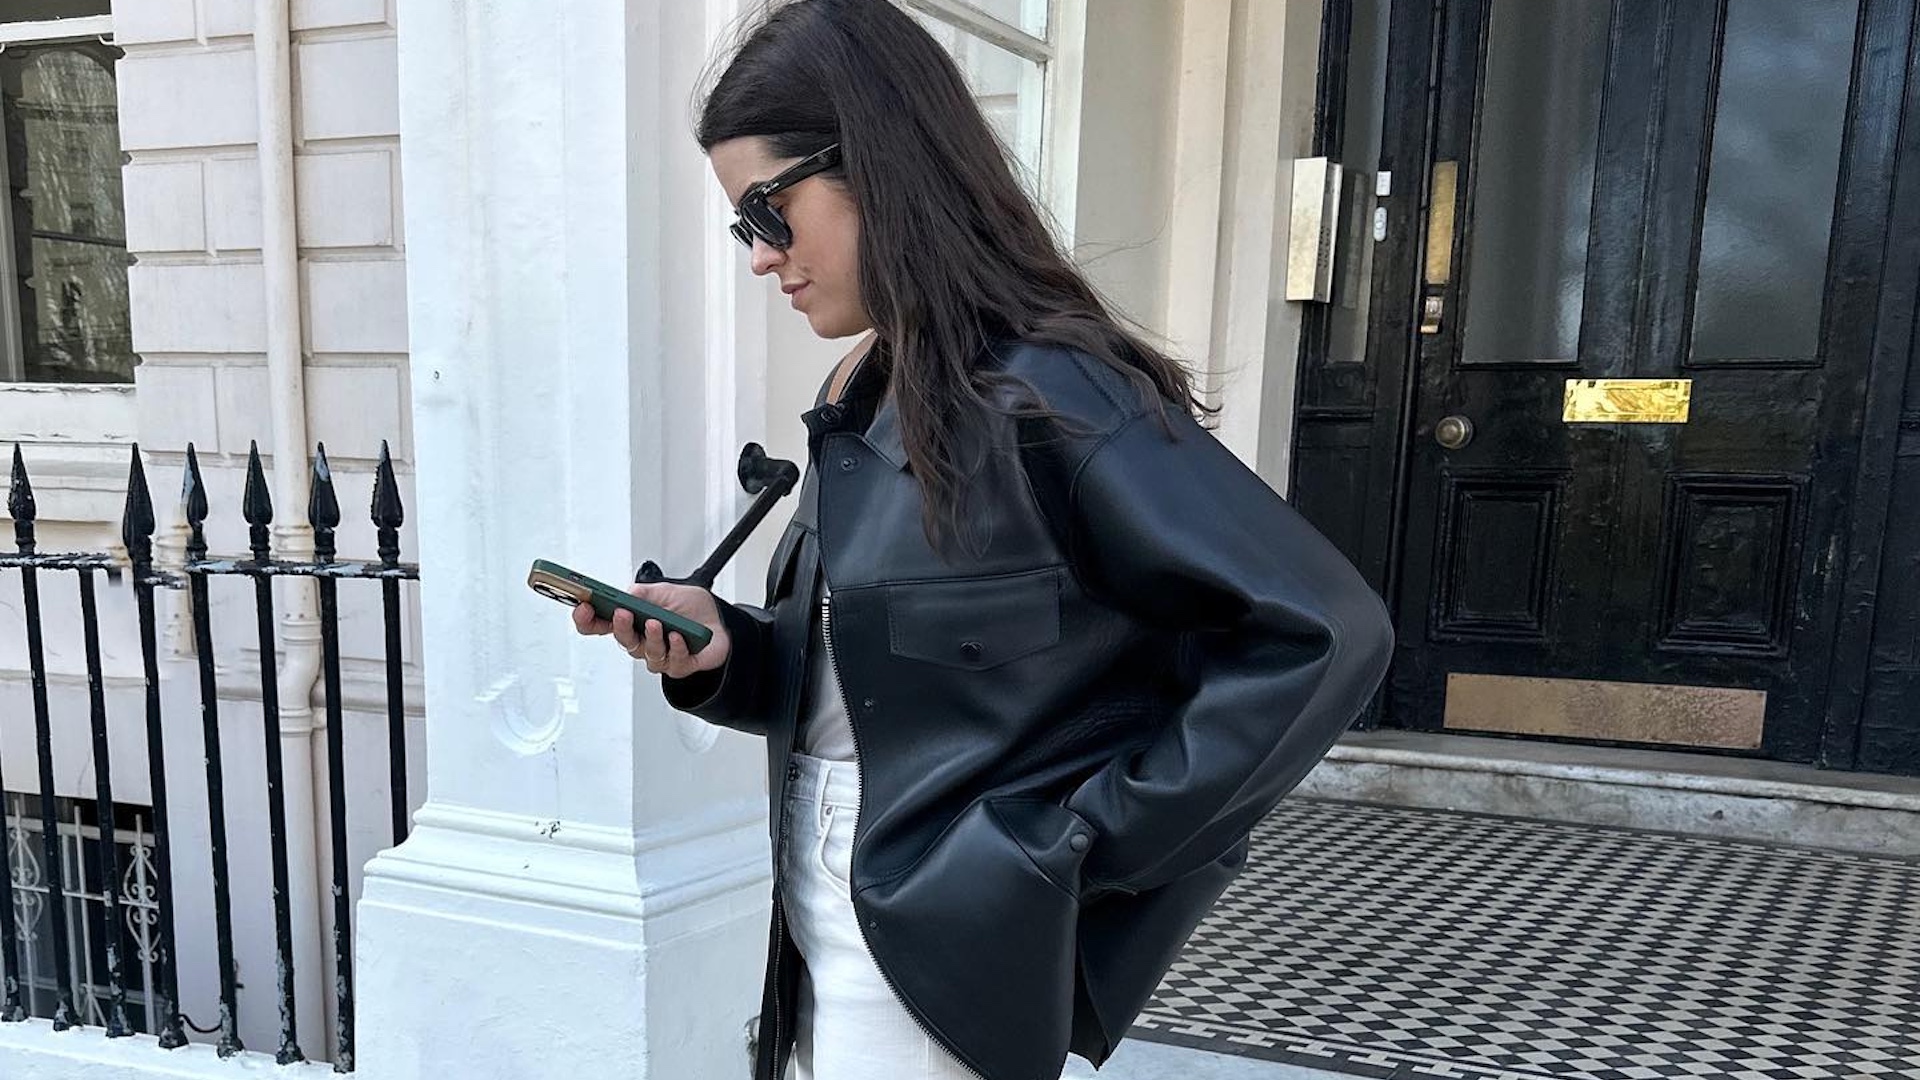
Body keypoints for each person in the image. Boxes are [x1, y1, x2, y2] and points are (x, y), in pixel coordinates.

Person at [569, 2, 1394, 1077]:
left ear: (877, 162)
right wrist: (728, 649)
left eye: (769, 210)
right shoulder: (871, 394)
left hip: (943, 928)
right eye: (745, 227)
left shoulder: (1052, 392)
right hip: (821, 900)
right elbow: (891, 689)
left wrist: (1076, 844)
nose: (762, 257)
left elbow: (1323, 631)